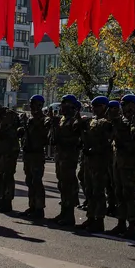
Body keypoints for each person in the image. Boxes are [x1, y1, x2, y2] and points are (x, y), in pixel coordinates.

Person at [80, 96, 114, 233]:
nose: (94, 108)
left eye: (97, 106)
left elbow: (107, 143)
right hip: (89, 160)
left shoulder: (107, 123)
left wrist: (94, 150)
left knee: (98, 191)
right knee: (89, 190)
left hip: (100, 161)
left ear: (104, 107)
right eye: (93, 106)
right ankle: (90, 217)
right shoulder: (92, 121)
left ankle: (99, 220)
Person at [51, 95, 86, 226]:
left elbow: (77, 139)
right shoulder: (62, 120)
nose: (62, 106)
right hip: (60, 156)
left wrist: (62, 139)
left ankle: (69, 215)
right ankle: (64, 212)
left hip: (69, 157)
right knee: (62, 185)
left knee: (68, 185)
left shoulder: (74, 121)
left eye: (65, 104)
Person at [111, 94, 135, 238]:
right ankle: (121, 222)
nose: (123, 107)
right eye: (122, 105)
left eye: (125, 104)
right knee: (119, 193)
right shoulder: (122, 119)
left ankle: (132, 226)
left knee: (129, 194)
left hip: (129, 163)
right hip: (119, 161)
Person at [20, 95, 50, 219]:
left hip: (37, 153)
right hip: (28, 153)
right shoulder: (29, 119)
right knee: (29, 181)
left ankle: (39, 208)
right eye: (31, 103)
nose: (33, 106)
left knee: (37, 181)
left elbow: (45, 135)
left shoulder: (43, 119)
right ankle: (32, 206)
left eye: (36, 104)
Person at [0, 102, 21, 213]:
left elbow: (0, 131)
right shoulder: (0, 117)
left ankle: (7, 201)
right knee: (2, 176)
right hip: (3, 150)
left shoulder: (7, 115)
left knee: (7, 176)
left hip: (9, 151)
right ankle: (1, 199)